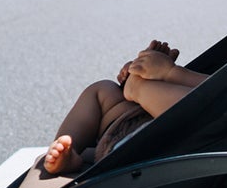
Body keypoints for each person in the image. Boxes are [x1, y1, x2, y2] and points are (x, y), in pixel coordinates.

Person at [41, 40, 207, 175]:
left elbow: (218, 93)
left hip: (165, 142)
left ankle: (138, 88)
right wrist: (139, 70)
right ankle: (69, 150)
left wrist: (170, 72)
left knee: (202, 103)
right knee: (103, 89)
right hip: (124, 132)